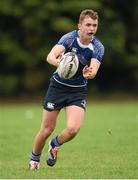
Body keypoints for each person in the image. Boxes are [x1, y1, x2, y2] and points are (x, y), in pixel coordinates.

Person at [29, 9, 104, 170]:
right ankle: (34, 160)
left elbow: (94, 71)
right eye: (88, 25)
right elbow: (50, 57)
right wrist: (63, 63)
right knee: (46, 129)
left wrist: (88, 73)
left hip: (77, 91)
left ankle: (55, 144)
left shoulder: (97, 47)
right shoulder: (69, 38)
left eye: (95, 25)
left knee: (73, 129)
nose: (92, 28)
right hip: (57, 88)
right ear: (80, 25)